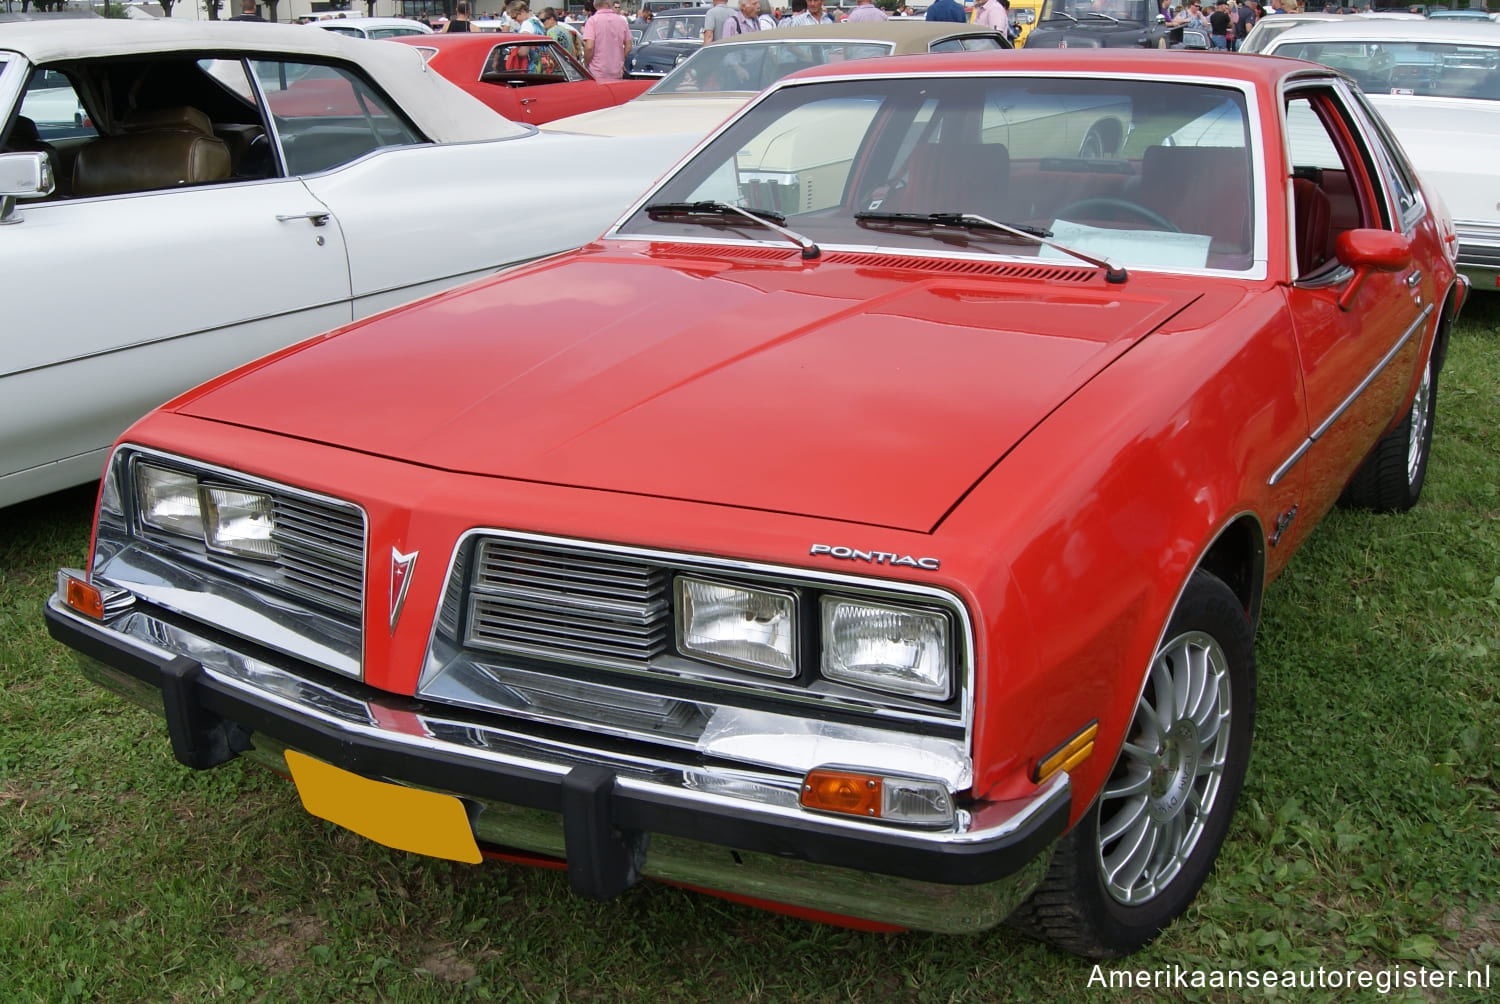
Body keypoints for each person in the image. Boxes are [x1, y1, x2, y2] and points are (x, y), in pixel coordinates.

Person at [582, 0, 631, 79]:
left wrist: (585, 63)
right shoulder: (621, 21)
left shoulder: (592, 21)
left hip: (597, 71)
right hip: (616, 71)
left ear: (595, 5)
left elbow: (589, 47)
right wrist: (620, 60)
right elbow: (628, 46)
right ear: (609, 4)